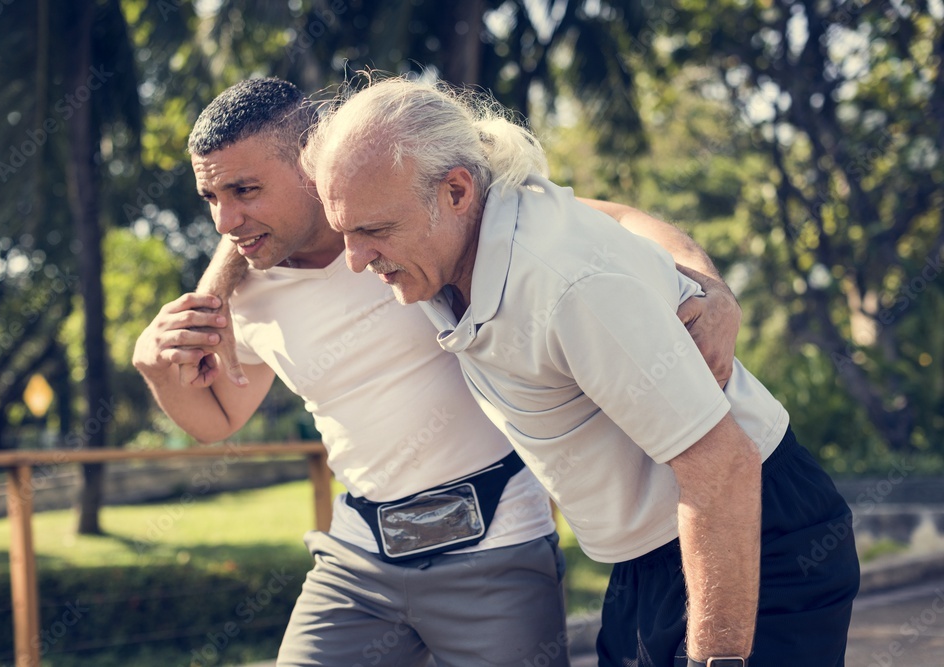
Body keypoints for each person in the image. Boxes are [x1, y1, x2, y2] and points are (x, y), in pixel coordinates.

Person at [133, 77, 741, 667]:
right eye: (212, 197)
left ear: (309, 161)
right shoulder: (244, 289)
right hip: (358, 557)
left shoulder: (421, 215)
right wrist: (159, 371)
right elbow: (219, 418)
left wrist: (710, 288)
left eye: (245, 190)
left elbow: (620, 221)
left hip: (499, 542)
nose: (224, 220)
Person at [300, 77, 861, 667]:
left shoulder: (566, 286)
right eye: (346, 232)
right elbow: (620, 215)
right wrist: (707, 280)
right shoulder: (485, 220)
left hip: (753, 533)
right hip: (651, 552)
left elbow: (724, 468)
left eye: (374, 231)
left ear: (457, 191)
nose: (357, 260)